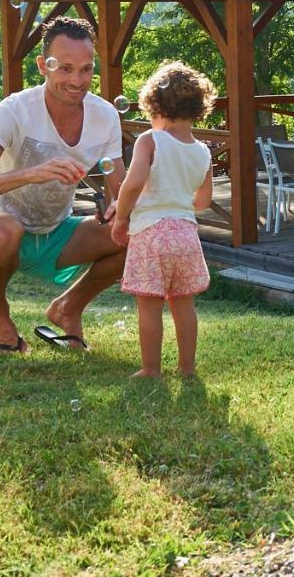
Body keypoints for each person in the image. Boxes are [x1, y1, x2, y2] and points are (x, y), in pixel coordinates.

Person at [0, 17, 126, 353]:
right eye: (66, 68)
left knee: (131, 233)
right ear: (43, 65)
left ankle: (67, 308)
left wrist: (118, 208)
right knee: (4, 230)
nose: (77, 80)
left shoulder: (105, 116)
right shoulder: (14, 111)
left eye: (86, 69)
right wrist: (31, 173)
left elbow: (120, 187)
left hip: (55, 233)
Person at [110, 61, 215, 378]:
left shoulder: (149, 141)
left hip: (151, 235)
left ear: (154, 105)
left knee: (149, 305)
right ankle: (187, 368)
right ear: (198, 108)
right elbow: (203, 201)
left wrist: (120, 219)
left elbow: (132, 183)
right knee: (184, 305)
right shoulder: (204, 151)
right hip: (186, 236)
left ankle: (151, 369)